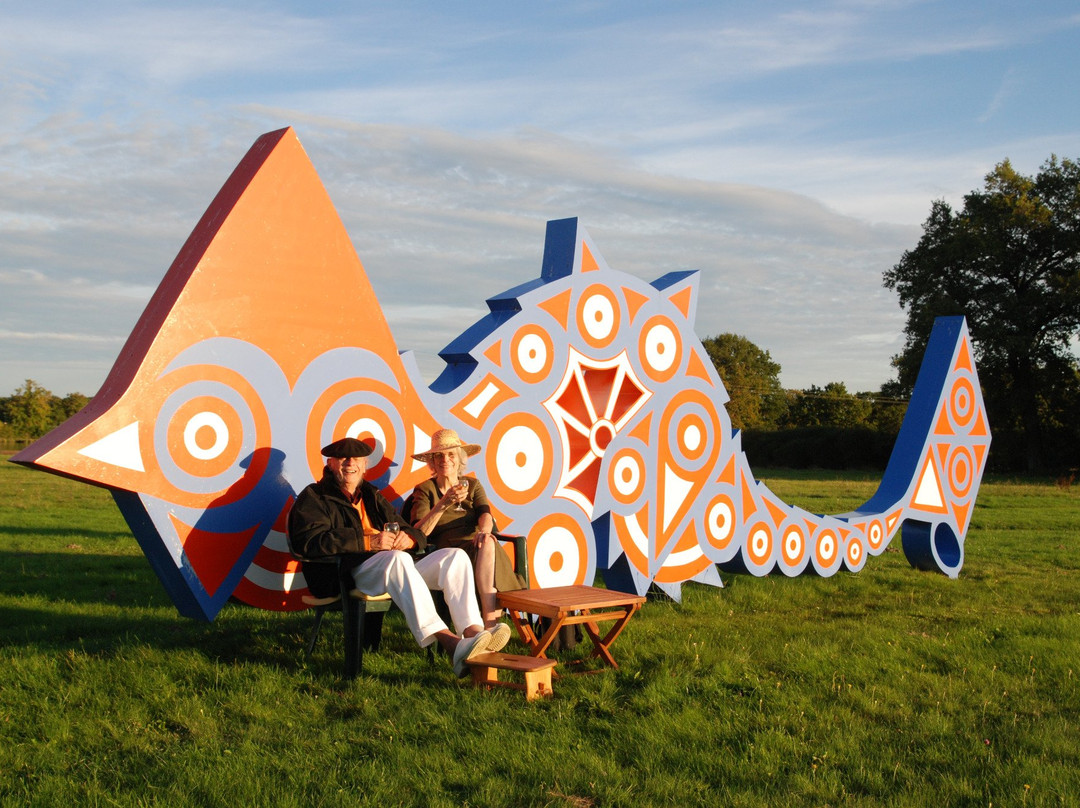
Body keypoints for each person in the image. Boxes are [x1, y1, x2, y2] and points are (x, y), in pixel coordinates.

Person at [287, 437, 507, 677]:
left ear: (364, 465)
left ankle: (474, 635)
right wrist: (367, 541)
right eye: (343, 458)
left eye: (356, 459)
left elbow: (410, 529)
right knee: (397, 559)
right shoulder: (315, 497)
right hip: (347, 572)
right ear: (330, 463)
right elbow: (308, 541)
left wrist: (409, 539)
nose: (350, 463)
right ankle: (451, 644)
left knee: (455, 557)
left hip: (392, 568)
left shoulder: (371, 495)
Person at [409, 429, 523, 644]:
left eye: (451, 454)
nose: (445, 459)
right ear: (432, 461)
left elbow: (485, 514)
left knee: (488, 542)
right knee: (487, 547)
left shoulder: (472, 485)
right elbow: (419, 533)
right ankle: (490, 626)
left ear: (459, 458)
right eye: (439, 455)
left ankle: (487, 628)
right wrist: (443, 504)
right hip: (448, 555)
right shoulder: (425, 490)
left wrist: (483, 531)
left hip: (478, 546)